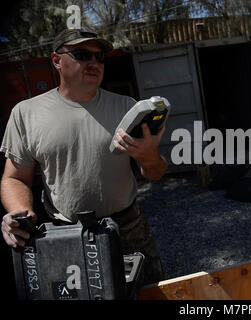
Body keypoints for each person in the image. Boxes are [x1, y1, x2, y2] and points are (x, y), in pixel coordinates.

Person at [0, 28, 168, 287]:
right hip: (66, 232)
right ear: (57, 61)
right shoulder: (26, 114)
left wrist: (149, 156)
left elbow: (156, 173)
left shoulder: (127, 108)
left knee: (150, 293)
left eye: (100, 57)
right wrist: (19, 212)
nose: (93, 63)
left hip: (128, 227)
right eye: (82, 54)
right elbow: (14, 178)